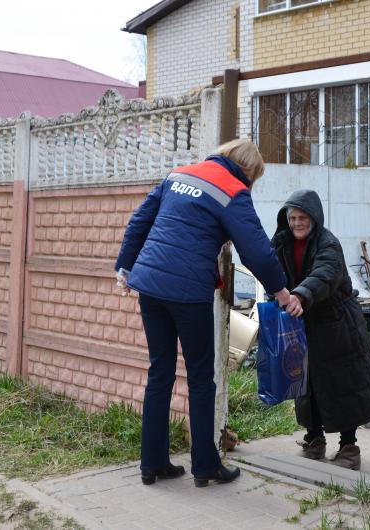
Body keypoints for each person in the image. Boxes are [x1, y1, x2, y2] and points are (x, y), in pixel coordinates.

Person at [115, 139, 303, 488]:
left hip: (150, 287)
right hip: (187, 293)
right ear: (247, 172)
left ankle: (152, 463)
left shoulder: (178, 175)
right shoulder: (232, 189)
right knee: (201, 378)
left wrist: (124, 269)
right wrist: (281, 291)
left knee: (160, 372)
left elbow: (139, 221)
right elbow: (258, 251)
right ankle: (205, 465)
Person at [271, 189, 370, 470]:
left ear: (314, 218)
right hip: (303, 322)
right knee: (306, 384)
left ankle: (349, 448)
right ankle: (314, 439)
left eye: (302, 217)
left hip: (337, 324)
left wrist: (300, 295)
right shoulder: (282, 242)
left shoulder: (328, 243)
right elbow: (270, 268)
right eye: (293, 217)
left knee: (343, 384)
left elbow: (325, 273)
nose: (297, 223)